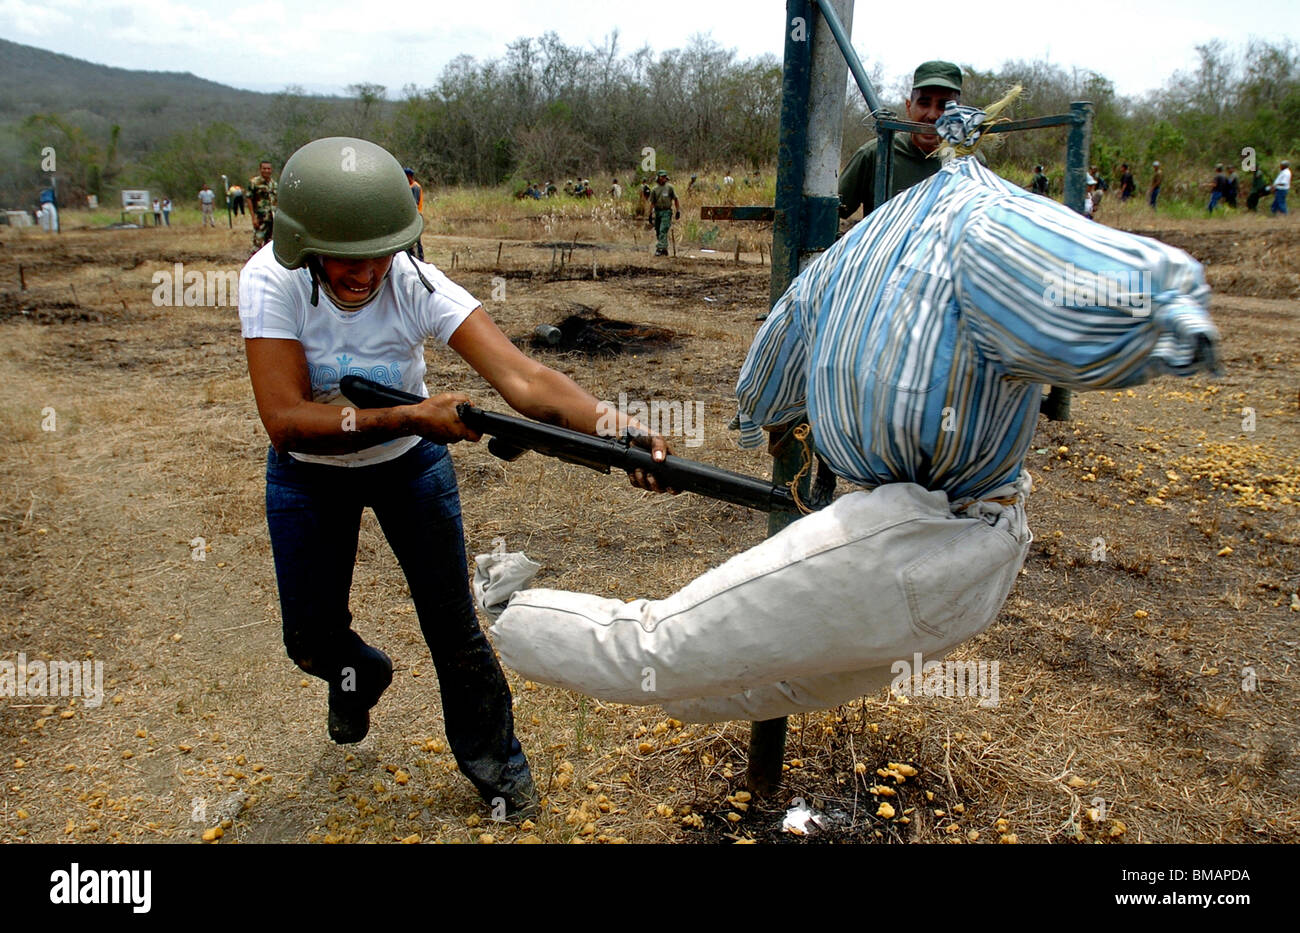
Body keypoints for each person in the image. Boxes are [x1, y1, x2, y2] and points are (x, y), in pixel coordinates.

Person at [487, 106, 1221, 725]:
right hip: (958, 548)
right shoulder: (879, 248)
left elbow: (1085, 280)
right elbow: (777, 369)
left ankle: (496, 606)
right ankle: (535, 629)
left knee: (656, 646)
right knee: (757, 687)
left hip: (922, 531)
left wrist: (1164, 314)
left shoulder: (951, 233)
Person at [237, 136, 674, 816]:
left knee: (453, 629)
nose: (366, 272)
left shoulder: (414, 281)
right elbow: (286, 418)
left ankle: (500, 772)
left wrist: (618, 431)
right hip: (308, 474)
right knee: (311, 639)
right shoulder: (271, 279)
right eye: (345, 258)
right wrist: (413, 415)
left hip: (407, 468)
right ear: (302, 243)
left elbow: (526, 380)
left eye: (379, 251)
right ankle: (360, 673)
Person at [839, 60, 971, 219]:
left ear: (957, 112)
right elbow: (830, 215)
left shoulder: (969, 162)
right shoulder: (876, 154)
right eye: (924, 103)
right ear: (909, 107)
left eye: (943, 106)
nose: (932, 115)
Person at [648, 169, 680, 256]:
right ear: (658, 177)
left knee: (663, 229)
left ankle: (660, 248)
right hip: (658, 212)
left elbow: (676, 199)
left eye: (665, 177)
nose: (664, 178)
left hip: (666, 212)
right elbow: (652, 202)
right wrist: (650, 214)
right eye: (662, 176)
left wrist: (678, 211)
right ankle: (664, 249)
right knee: (658, 230)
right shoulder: (654, 189)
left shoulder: (670, 188)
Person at [249, 159, 278, 252]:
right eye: (264, 168)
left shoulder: (274, 184)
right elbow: (248, 198)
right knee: (258, 243)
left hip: (272, 219)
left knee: (270, 245)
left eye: (268, 169)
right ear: (260, 169)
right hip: (261, 218)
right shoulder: (254, 183)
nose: (266, 171)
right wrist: (253, 217)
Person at [404, 167, 424, 261]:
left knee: (416, 240)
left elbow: (414, 203)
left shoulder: (415, 187)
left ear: (409, 176)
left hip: (415, 216)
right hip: (412, 216)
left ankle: (420, 259)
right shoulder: (409, 187)